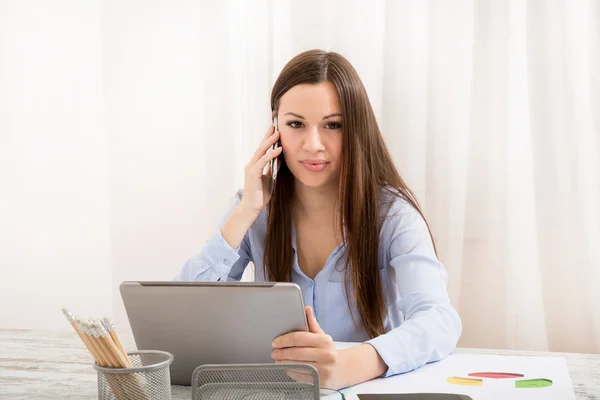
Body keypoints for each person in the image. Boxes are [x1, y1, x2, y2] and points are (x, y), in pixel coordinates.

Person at [175, 49, 462, 390]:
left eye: (333, 125)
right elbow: (184, 317)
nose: (313, 145)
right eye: (296, 124)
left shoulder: (393, 216)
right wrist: (244, 213)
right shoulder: (254, 209)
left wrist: (349, 365)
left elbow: (439, 320)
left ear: (355, 129)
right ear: (274, 130)